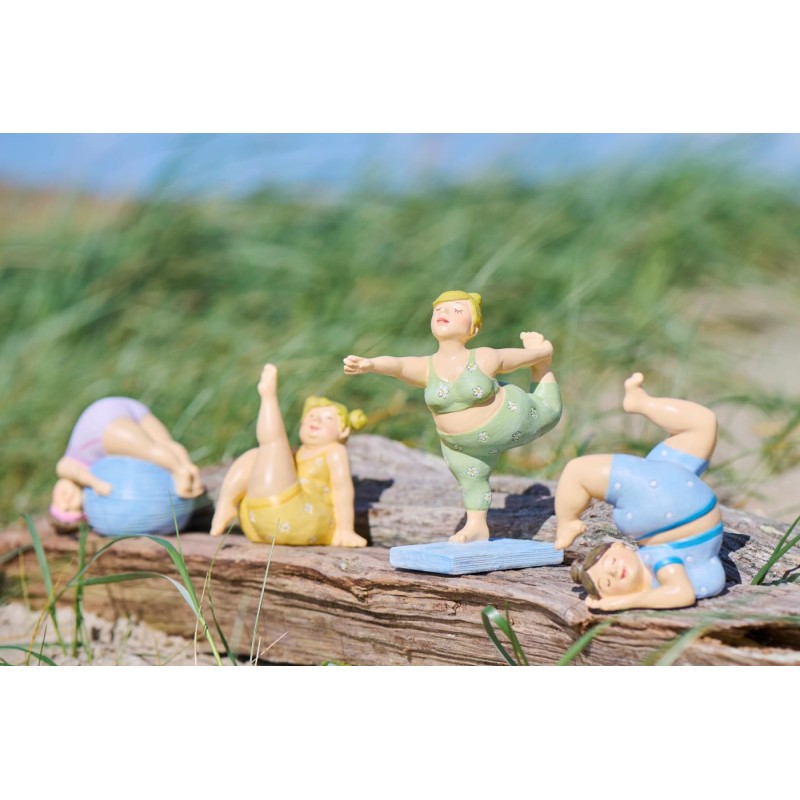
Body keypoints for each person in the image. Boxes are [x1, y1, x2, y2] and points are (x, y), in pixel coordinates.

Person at [344, 290, 561, 542]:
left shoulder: (483, 357)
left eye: (456, 310)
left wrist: (541, 354)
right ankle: (476, 526)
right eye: (439, 310)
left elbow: (518, 358)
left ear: (473, 328)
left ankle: (542, 371)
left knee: (549, 410)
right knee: (472, 482)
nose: (444, 313)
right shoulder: (427, 367)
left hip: (512, 420)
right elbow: (399, 365)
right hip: (460, 446)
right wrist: (371, 364)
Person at [556, 373, 724, 611]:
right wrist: (620, 603)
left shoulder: (653, 557)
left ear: (619, 546)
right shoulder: (660, 560)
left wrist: (619, 600)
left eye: (611, 562)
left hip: (671, 483)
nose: (615, 572)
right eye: (608, 583)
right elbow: (681, 593)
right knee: (578, 470)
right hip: (666, 509)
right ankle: (568, 522)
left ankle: (642, 402)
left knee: (703, 422)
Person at [210, 364, 368, 547]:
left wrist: (345, 530)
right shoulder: (299, 452)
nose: (316, 420)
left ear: (343, 431)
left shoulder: (334, 451)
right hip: (258, 519)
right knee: (256, 454)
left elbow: (343, 491)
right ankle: (226, 504)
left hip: (302, 519)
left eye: (327, 419)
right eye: (312, 416)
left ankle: (269, 398)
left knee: (273, 444)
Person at [51, 397, 204, 531]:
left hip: (101, 428)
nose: (66, 503)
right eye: (71, 510)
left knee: (149, 451)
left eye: (57, 504)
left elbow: (75, 472)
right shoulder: (87, 474)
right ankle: (189, 469)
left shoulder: (65, 465)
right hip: (126, 409)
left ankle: (180, 471)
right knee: (167, 445)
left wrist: (96, 483)